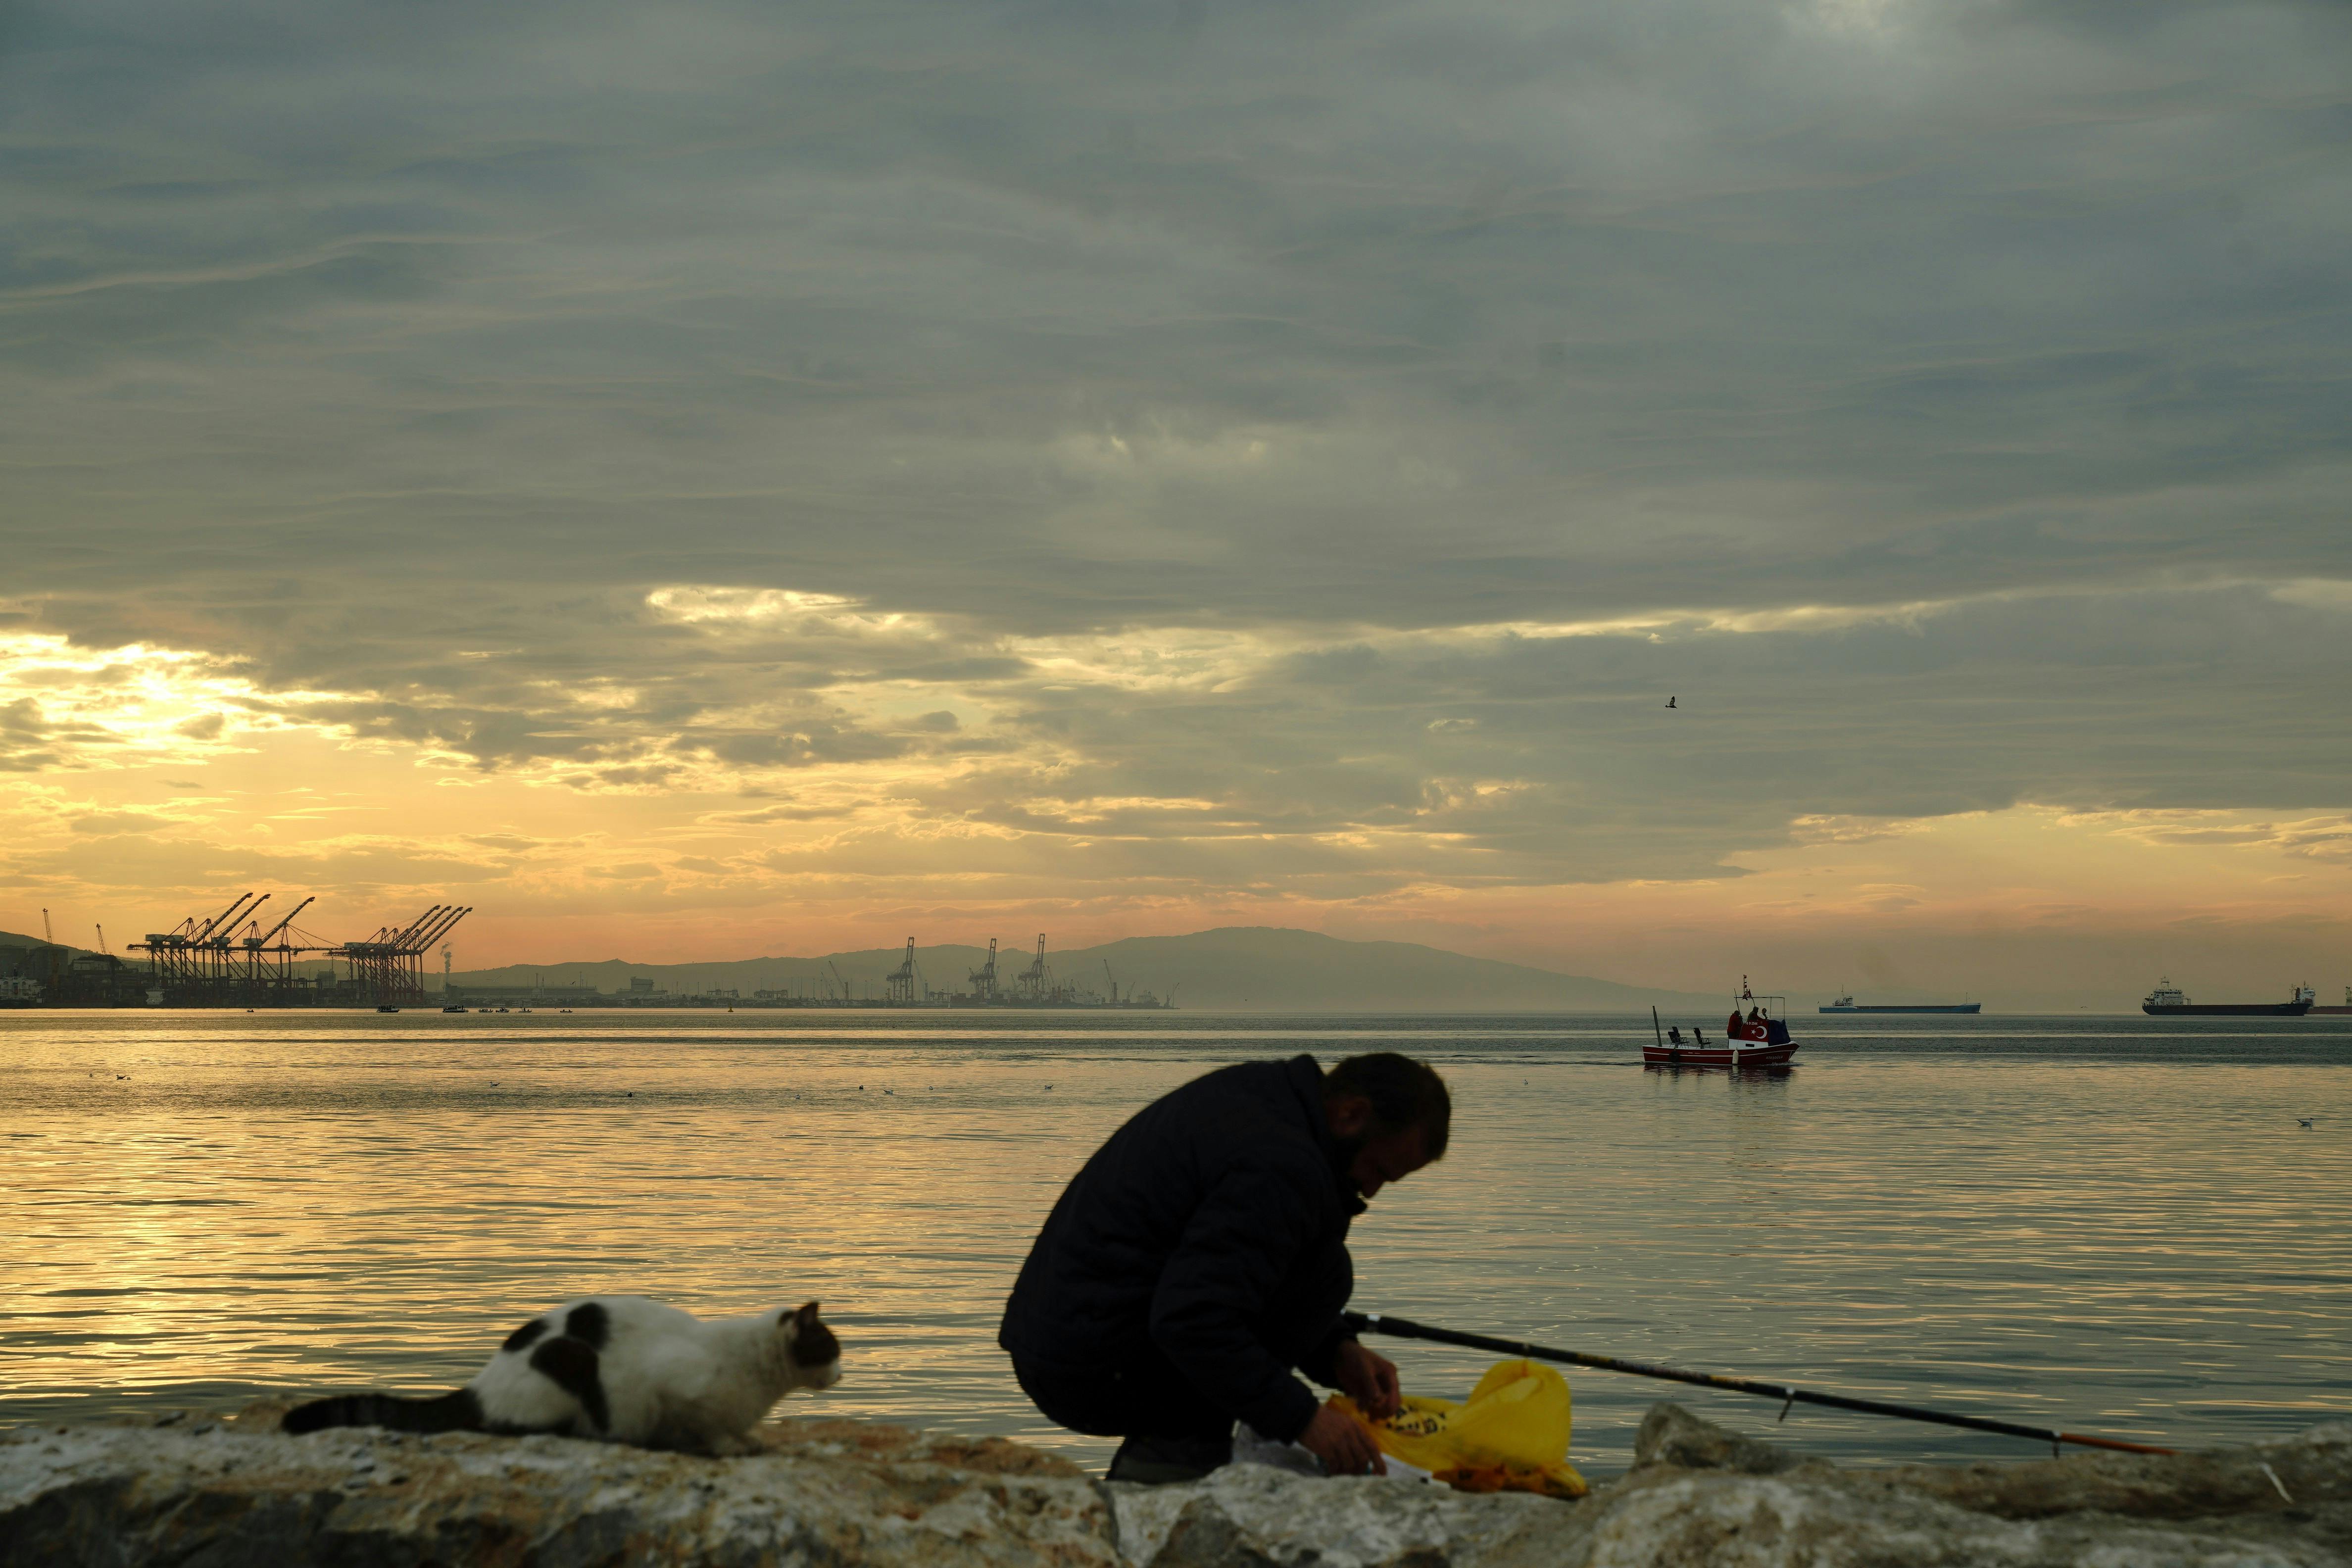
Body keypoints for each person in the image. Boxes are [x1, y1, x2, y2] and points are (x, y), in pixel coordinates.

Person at [999, 1052, 1451, 1484]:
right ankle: (1171, 1468)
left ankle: (1176, 1449)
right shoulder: (1280, 1164)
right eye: (1378, 1169)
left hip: (1062, 1336)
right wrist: (1305, 1420)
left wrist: (1335, 1350)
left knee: (1321, 1268)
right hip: (1085, 1363)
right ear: (1352, 1113)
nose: (1370, 1191)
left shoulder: (1271, 1099)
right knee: (1326, 1272)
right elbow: (1194, 1320)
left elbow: (1236, 1270)